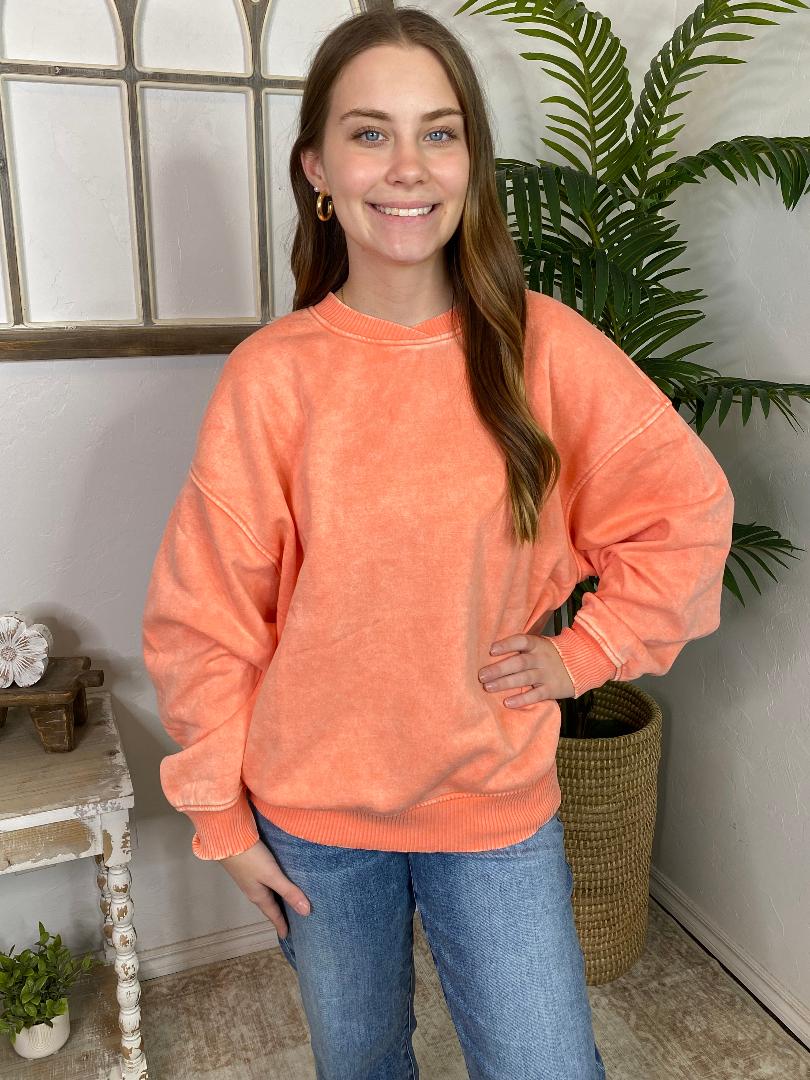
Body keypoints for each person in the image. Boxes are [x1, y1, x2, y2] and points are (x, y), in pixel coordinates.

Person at [141, 7, 734, 1079]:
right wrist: (220, 816)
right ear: (318, 168)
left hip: (493, 805)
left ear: (471, 163)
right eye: (370, 133)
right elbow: (207, 615)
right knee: (362, 1064)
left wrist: (584, 654)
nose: (407, 166)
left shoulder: (545, 348)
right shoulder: (273, 377)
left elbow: (683, 511)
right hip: (314, 817)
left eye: (440, 132)